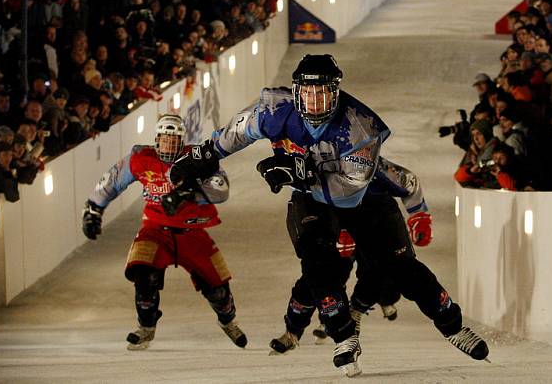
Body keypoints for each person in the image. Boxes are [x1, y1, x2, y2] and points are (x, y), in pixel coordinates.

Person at [168, 54, 488, 376]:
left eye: (322, 93)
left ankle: (452, 326)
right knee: (316, 264)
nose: (315, 101)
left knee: (400, 268)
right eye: (308, 93)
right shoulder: (275, 109)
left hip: (365, 197)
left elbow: (348, 195)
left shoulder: (361, 127)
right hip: (311, 199)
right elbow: (239, 131)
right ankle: (344, 335)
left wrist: (300, 173)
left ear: (335, 92)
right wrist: (205, 154)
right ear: (296, 92)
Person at [81, 114, 246, 351]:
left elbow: (222, 190)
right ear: (156, 139)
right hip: (155, 229)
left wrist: (187, 194)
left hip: (192, 230)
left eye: (174, 140)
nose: (168, 145)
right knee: (143, 276)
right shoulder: (140, 158)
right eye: (164, 139)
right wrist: (94, 208)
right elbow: (112, 180)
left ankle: (228, 321)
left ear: (182, 141)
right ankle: (146, 327)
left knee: (218, 289)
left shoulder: (197, 157)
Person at [268, 157, 432, 354]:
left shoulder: (370, 164)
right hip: (330, 223)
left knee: (378, 270)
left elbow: (407, 181)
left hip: (369, 220)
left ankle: (356, 311)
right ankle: (294, 330)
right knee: (319, 274)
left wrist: (419, 216)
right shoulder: (318, 166)